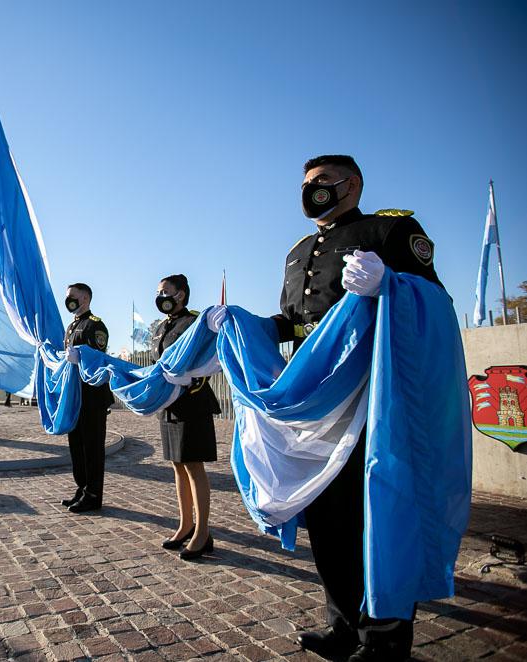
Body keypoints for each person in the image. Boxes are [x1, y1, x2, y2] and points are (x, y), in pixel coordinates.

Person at [207, 155, 443, 662]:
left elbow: (433, 302)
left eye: (322, 182)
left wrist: (390, 285)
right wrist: (244, 323)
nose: (311, 191)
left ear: (352, 184)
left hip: (374, 400)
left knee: (376, 516)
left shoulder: (390, 231)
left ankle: (384, 641)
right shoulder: (296, 254)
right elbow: (293, 325)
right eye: (306, 184)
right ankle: (342, 626)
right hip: (318, 406)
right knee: (329, 521)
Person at [151, 275, 221, 560]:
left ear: (181, 294)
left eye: (166, 291)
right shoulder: (161, 327)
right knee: (177, 466)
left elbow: (206, 360)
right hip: (170, 404)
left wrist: (188, 379)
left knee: (194, 467)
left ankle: (203, 533)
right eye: (158, 291)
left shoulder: (194, 322)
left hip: (192, 402)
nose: (161, 296)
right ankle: (185, 525)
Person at [62, 283, 113, 513]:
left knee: (92, 447)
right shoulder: (72, 326)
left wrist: (80, 357)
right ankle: (82, 488)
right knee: (77, 446)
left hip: (92, 395)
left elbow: (98, 357)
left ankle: (93, 494)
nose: (69, 300)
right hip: (76, 396)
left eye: (72, 296)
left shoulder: (95, 324)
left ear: (85, 298)